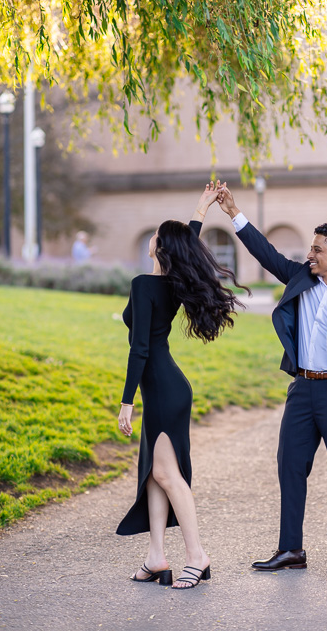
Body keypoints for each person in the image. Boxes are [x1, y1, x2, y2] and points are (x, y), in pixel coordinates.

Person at [216, 184, 327, 580]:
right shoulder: (301, 277)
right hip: (301, 390)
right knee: (290, 467)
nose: (309, 254)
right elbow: (266, 253)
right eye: (310, 248)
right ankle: (292, 549)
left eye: (316, 249)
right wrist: (233, 213)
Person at [116, 183, 247, 589]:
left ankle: (198, 557)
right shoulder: (169, 285)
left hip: (163, 390)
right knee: (155, 474)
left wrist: (126, 403)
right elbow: (186, 243)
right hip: (166, 387)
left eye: (157, 235)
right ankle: (156, 557)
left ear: (160, 247)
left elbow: (139, 350)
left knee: (169, 477)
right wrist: (201, 208)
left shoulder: (143, 285)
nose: (153, 237)